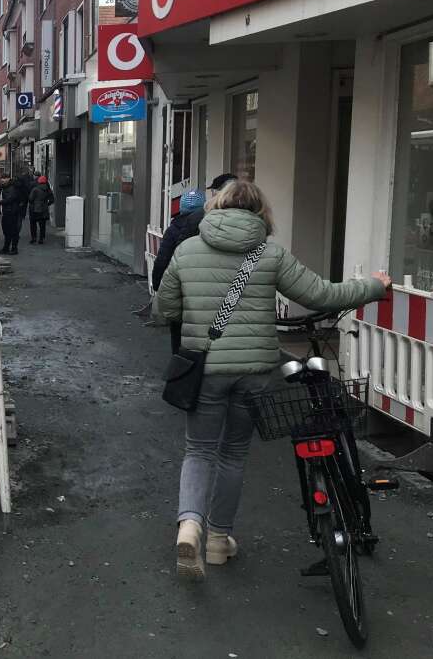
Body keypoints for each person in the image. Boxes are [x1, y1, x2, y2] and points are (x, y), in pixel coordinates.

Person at [156, 181, 390, 582]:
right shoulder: (269, 253)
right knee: (232, 453)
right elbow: (322, 294)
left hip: (205, 369)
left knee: (199, 450)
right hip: (253, 372)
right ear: (260, 213)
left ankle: (190, 525)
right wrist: (374, 286)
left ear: (216, 206)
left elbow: (165, 309)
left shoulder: (187, 249)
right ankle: (218, 541)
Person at [151, 189, 207, 353]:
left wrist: (157, 285)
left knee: (178, 327)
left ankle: (179, 359)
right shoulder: (209, 228)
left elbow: (162, 260)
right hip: (203, 288)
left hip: (180, 286)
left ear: (181, 208)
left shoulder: (173, 229)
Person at [0, 174, 26, 255]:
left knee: (13, 231)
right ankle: (6, 248)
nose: (2, 180)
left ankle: (14, 248)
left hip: (13, 212)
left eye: (4, 179)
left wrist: (1, 202)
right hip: (7, 212)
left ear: (8, 179)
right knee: (6, 231)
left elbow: (11, 198)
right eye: (1, 179)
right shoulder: (4, 187)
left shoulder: (13, 187)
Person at [27, 175, 55, 245]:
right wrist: (46, 204)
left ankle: (34, 238)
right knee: (42, 225)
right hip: (44, 209)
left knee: (33, 224)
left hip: (34, 209)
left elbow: (30, 199)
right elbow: (52, 200)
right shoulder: (48, 190)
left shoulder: (35, 189)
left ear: (39, 181)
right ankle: (41, 238)